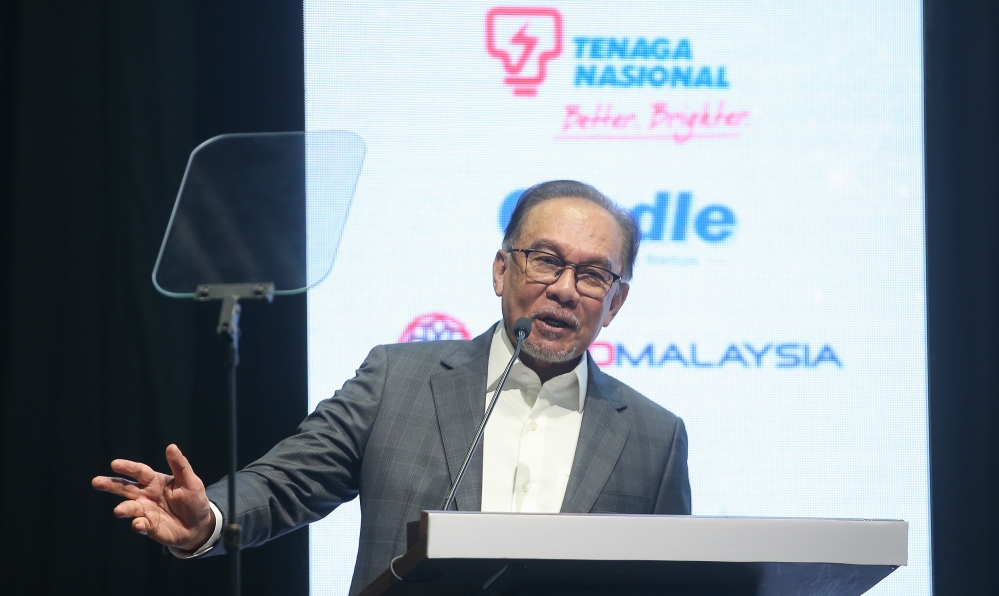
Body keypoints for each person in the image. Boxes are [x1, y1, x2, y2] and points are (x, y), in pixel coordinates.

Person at [93, 180, 691, 594]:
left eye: (593, 275)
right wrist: (211, 518)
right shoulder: (397, 381)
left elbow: (668, 583)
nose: (565, 288)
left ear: (615, 302)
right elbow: (286, 483)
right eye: (545, 260)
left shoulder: (654, 436)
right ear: (502, 269)